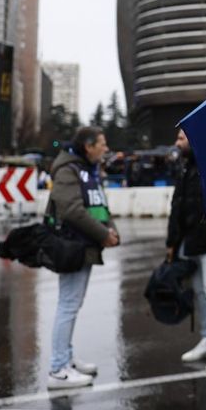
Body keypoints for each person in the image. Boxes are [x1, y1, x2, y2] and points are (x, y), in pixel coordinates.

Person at [46, 126, 119, 389]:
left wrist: (110, 231)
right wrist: (103, 234)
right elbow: (71, 210)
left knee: (72, 303)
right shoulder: (68, 170)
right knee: (68, 304)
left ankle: (65, 358)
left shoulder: (85, 168)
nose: (106, 148)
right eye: (102, 143)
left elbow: (98, 204)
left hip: (83, 244)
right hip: (72, 245)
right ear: (88, 146)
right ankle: (57, 369)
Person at [166, 127, 206, 373]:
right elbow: (177, 207)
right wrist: (171, 242)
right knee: (200, 292)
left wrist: (205, 226)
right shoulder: (184, 169)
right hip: (190, 241)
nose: (177, 142)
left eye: (181, 138)